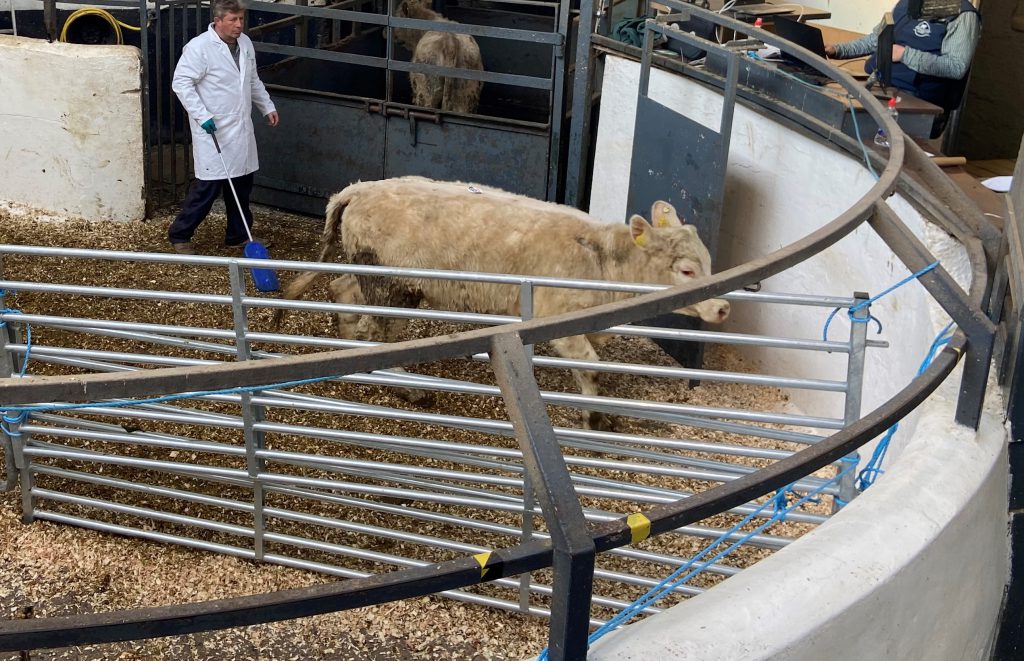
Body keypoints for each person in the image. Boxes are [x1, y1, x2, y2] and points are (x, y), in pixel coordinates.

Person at [168, 0, 279, 255]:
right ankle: (180, 234)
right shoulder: (200, 48)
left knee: (241, 183)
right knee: (207, 188)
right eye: (233, 20)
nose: (239, 25)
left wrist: (267, 106)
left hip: (240, 127)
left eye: (241, 19)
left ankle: (238, 234)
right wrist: (201, 114)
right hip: (213, 128)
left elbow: (252, 80)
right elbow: (181, 82)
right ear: (218, 21)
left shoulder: (245, 44)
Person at [824, 0, 980, 137]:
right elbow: (876, 40)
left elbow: (956, 67)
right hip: (882, 86)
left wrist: (905, 54)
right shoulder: (907, 4)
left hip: (918, 99)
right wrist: (838, 50)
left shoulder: (963, 15)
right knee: (833, 111)